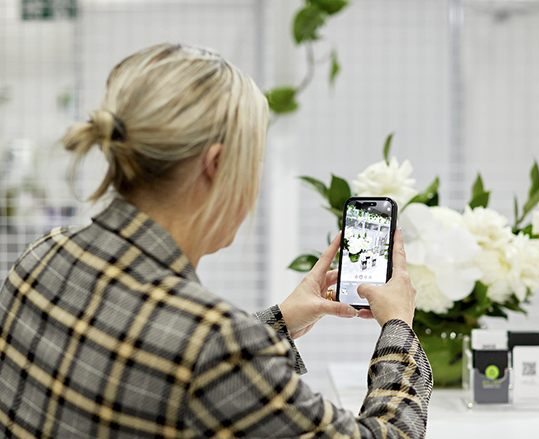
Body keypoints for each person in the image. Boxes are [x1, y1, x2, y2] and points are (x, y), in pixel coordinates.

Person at [0, 43, 432, 438]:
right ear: (217, 164)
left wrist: (278, 321)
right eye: (254, 164)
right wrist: (398, 325)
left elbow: (152, 369)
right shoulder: (219, 345)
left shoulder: (40, 257)